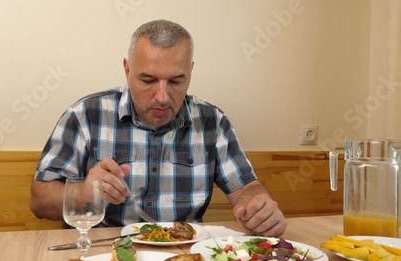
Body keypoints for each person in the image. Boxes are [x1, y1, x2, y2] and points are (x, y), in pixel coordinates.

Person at [30, 19, 287, 237]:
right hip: (103, 254)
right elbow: (39, 201)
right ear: (127, 69)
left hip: (184, 255)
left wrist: (258, 207)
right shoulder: (86, 115)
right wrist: (84, 191)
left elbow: (246, 189)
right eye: (148, 80)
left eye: (176, 81)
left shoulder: (213, 122)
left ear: (191, 72)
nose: (162, 96)